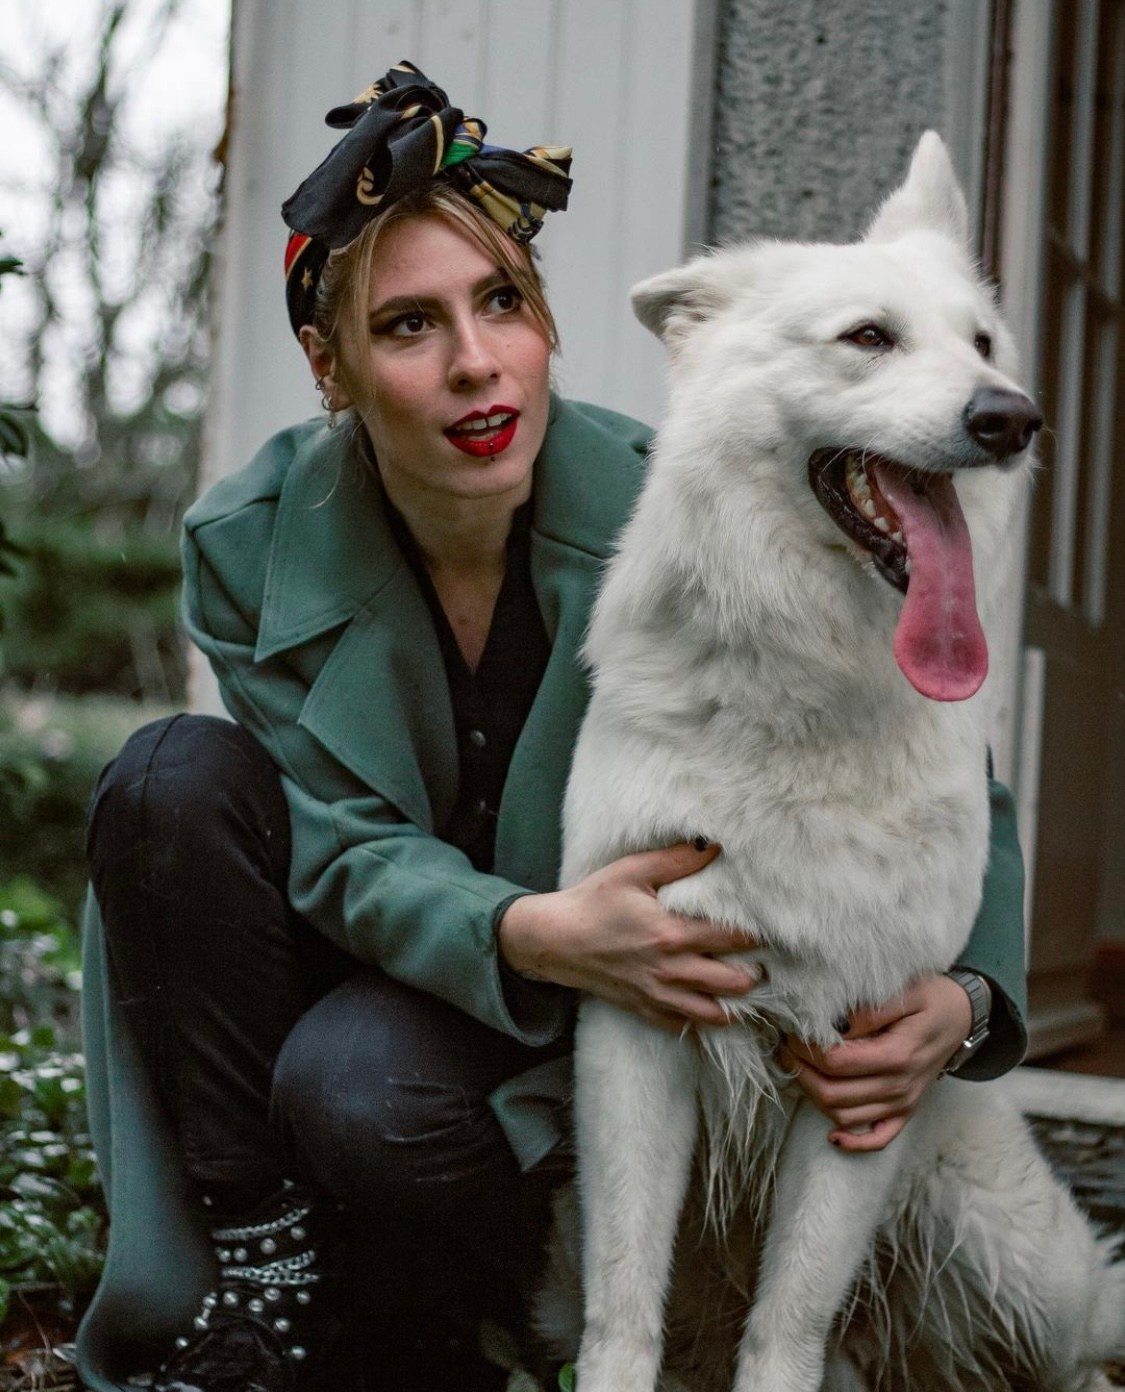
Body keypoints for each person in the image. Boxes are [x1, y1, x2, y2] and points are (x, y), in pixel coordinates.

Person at [77, 60, 1028, 1392]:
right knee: (166, 776)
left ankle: (452, 1317)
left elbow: (923, 745)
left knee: (367, 1094)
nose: (476, 363)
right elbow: (334, 838)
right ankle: (265, 1271)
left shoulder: (689, 498)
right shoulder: (250, 541)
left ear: (542, 322)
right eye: (408, 326)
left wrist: (967, 998)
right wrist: (526, 928)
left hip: (592, 1022)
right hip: (386, 944)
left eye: (501, 304)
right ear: (328, 361)